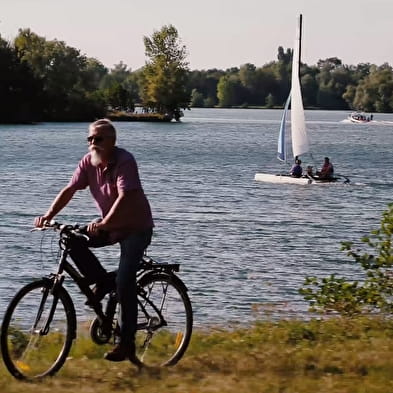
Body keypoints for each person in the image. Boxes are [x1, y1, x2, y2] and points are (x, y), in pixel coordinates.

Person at [34, 119, 154, 364]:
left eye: (97, 139)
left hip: (135, 229)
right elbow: (70, 189)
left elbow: (125, 197)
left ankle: (126, 343)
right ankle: (101, 281)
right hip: (109, 226)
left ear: (112, 141)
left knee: (124, 281)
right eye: (89, 139)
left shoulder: (124, 161)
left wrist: (104, 223)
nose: (92, 144)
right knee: (71, 239)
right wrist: (48, 216)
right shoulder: (89, 162)